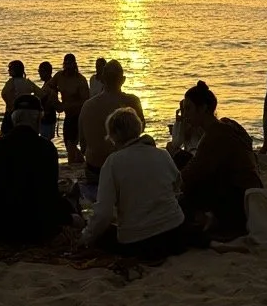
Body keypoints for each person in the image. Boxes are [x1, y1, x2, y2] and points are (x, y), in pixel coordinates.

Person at [84, 107, 200, 259]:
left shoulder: (112, 163)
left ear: (116, 134)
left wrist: (86, 237)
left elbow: (103, 214)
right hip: (175, 234)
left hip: (139, 243)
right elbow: (176, 187)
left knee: (101, 234)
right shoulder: (162, 154)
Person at [0, 90, 77, 246]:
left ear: (14, 119)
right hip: (35, 233)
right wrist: (70, 217)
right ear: (38, 119)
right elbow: (48, 198)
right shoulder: (46, 149)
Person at [177, 83, 261, 241]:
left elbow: (191, 174)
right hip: (245, 193)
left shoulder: (215, 135)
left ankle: (207, 218)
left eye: (188, 109)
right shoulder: (225, 125)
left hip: (238, 201)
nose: (184, 114)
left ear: (202, 109)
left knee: (184, 179)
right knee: (183, 158)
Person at [78, 59, 144, 179]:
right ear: (123, 80)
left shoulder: (87, 105)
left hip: (94, 168)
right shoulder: (132, 102)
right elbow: (140, 130)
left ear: (102, 79)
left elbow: (82, 141)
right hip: (122, 169)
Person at [54, 54, 90, 161]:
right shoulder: (59, 76)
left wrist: (68, 105)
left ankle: (73, 163)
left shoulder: (80, 80)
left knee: (71, 144)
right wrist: (56, 102)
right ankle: (79, 162)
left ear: (75, 65)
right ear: (64, 64)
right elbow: (49, 87)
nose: (68, 66)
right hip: (67, 115)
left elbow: (85, 101)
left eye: (70, 64)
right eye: (66, 64)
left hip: (78, 116)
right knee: (68, 144)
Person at [0, 60, 37, 135]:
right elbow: (41, 94)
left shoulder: (11, 82)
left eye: (10, 69)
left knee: (5, 135)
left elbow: (4, 94)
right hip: (26, 113)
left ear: (15, 70)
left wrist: (9, 104)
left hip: (12, 112)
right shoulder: (28, 82)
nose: (8, 70)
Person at [36, 61, 61, 142]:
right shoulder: (49, 84)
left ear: (46, 72)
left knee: (45, 141)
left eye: (40, 71)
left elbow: (51, 101)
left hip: (48, 118)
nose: (39, 73)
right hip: (49, 117)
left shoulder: (50, 85)